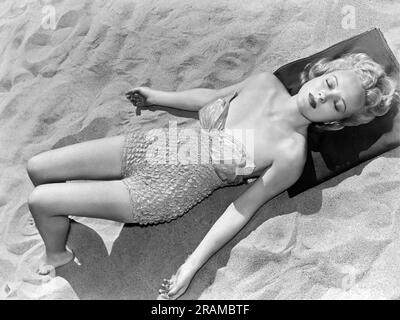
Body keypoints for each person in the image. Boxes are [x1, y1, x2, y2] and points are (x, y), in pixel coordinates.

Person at [26, 53, 397, 299]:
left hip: (160, 191)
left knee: (40, 201)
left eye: (337, 104)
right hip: (153, 145)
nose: (324, 97)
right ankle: (67, 212)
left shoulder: (290, 155)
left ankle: (57, 253)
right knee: (37, 168)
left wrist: (190, 266)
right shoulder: (264, 82)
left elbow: (241, 209)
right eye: (330, 85)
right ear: (322, 73)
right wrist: (157, 97)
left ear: (336, 120)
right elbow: (210, 98)